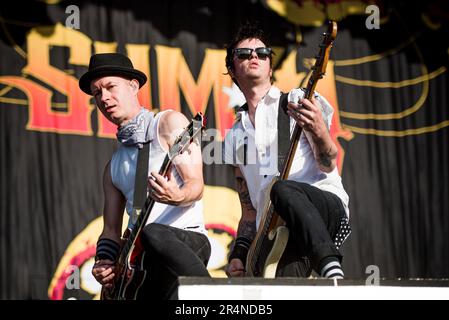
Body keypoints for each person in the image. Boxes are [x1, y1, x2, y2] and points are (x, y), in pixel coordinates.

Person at [223, 24, 351, 279]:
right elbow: (249, 211)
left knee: (282, 188)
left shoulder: (296, 101)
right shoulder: (234, 137)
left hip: (322, 207)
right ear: (232, 69)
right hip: (274, 232)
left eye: (262, 52)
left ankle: (331, 269)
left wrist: (318, 130)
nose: (254, 57)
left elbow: (327, 162)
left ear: (271, 65)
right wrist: (239, 253)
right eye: (244, 54)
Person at [79, 53, 211, 300]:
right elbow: (110, 230)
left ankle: (214, 298)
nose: (104, 97)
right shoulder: (113, 167)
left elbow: (196, 185)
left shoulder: (168, 123)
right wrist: (105, 262)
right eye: (97, 93)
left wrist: (178, 194)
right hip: (142, 259)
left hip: (185, 242)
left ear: (133, 86)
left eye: (110, 87)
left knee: (153, 233)